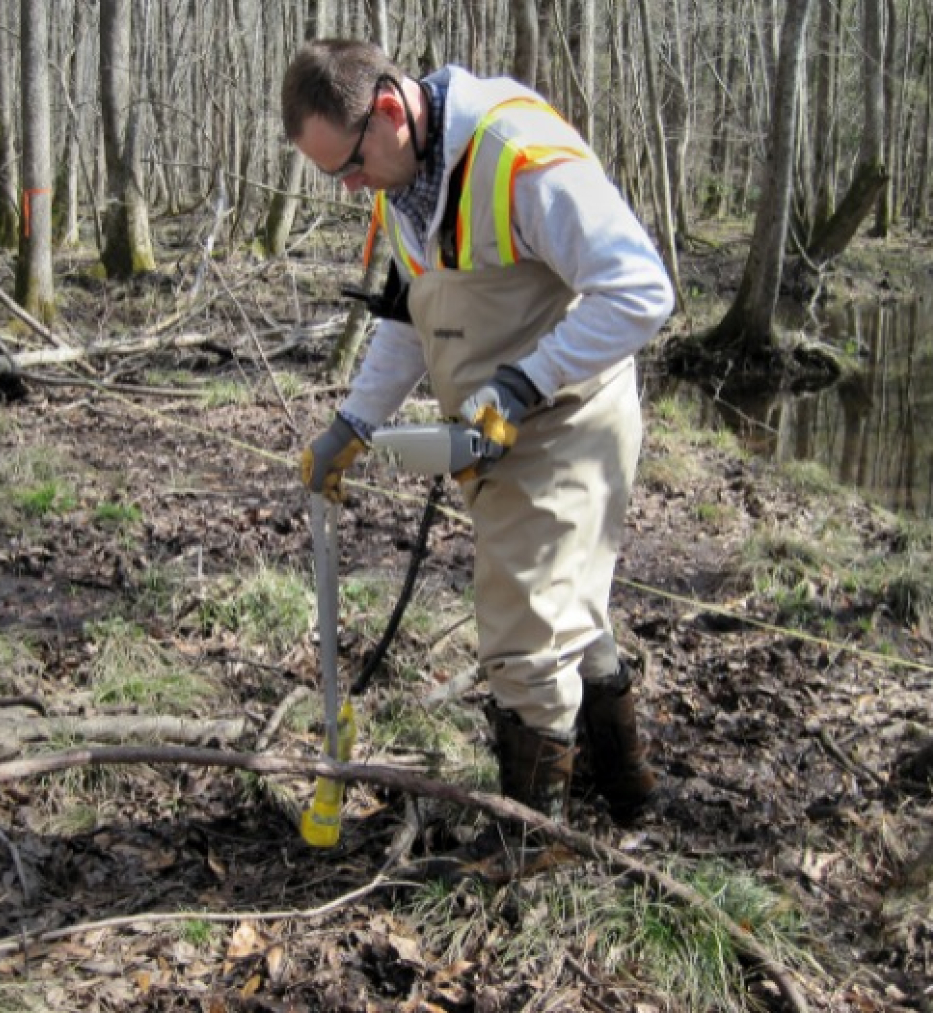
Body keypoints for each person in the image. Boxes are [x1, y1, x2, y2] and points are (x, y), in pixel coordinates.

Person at [283, 39, 675, 825]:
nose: (351, 186)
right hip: (495, 428)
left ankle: (535, 846)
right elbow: (409, 321)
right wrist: (353, 423)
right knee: (575, 610)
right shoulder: (404, 183)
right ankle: (626, 798)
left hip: (569, 422)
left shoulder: (517, 155)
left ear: (390, 110)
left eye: (349, 167)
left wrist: (524, 383)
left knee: (522, 636)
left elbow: (641, 291)